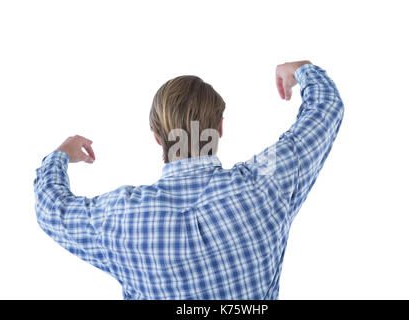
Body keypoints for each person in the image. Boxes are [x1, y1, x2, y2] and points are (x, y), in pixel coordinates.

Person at [34, 60, 344, 299]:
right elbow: (325, 109)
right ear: (220, 128)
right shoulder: (265, 183)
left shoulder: (119, 218)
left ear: (157, 137)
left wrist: (60, 155)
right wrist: (302, 70)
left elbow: (51, 208)